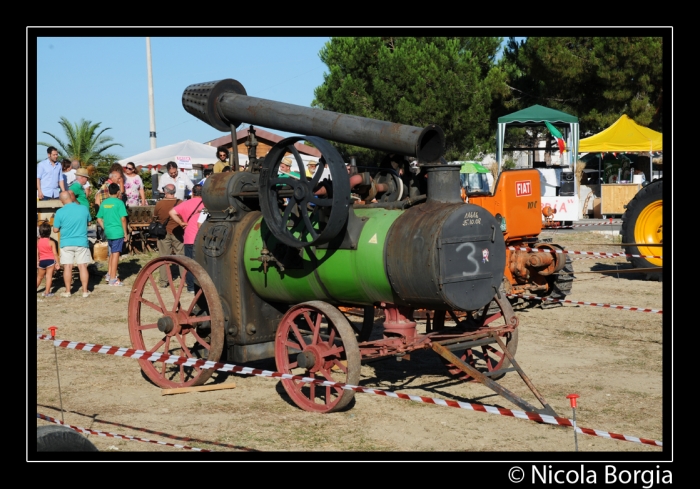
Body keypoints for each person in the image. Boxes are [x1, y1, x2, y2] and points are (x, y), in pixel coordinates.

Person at [52, 191, 92, 298]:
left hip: (66, 243)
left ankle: (68, 291)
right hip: (81, 242)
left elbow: (55, 230)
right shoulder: (83, 208)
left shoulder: (60, 212)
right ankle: (85, 291)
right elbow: (89, 223)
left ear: (61, 201)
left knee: (67, 267)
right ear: (71, 197)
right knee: (82, 266)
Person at [169, 184, 204, 293]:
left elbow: (171, 212)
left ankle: (191, 287)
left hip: (189, 237)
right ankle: (202, 286)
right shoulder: (206, 204)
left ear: (192, 193)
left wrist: (181, 222)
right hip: (202, 237)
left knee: (190, 264)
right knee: (202, 263)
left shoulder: (186, 203)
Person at [96, 183, 128, 286]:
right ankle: (113, 279)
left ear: (108, 192)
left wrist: (105, 227)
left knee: (111, 254)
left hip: (108, 232)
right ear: (118, 192)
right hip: (117, 232)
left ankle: (109, 274)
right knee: (115, 255)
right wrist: (125, 233)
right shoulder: (119, 203)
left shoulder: (104, 203)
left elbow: (99, 218)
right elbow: (123, 219)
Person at [154, 184, 184, 288]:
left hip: (164, 232)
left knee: (163, 257)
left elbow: (155, 217)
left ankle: (163, 281)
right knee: (181, 256)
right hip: (178, 232)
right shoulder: (180, 203)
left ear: (166, 192)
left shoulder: (159, 204)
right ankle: (184, 280)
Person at [37, 221, 60, 297]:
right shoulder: (51, 242)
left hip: (41, 261)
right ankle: (47, 292)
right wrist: (57, 262)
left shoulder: (38, 242)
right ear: (49, 232)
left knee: (39, 277)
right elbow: (55, 254)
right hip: (50, 261)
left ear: (40, 232)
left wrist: (37, 261)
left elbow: (37, 253)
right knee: (49, 277)